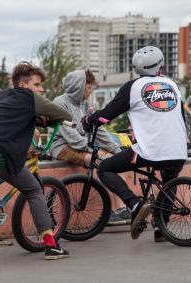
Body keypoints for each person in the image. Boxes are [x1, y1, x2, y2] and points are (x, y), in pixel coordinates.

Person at [0, 62, 72, 260]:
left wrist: (35, 118)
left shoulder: (3, 97)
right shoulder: (30, 98)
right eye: (37, 85)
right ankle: (51, 246)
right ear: (24, 85)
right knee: (34, 189)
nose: (41, 89)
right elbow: (64, 114)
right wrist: (46, 118)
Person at [82, 46, 188, 241]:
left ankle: (135, 204)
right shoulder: (172, 85)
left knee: (105, 168)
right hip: (179, 149)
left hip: (150, 151)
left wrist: (89, 120)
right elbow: (180, 117)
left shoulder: (133, 87)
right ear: (160, 67)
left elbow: (107, 116)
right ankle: (161, 228)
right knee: (169, 178)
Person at [49, 69, 130, 225]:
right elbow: (70, 136)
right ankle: (113, 211)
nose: (91, 91)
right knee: (101, 162)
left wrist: (116, 149)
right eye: (89, 88)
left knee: (114, 161)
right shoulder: (60, 103)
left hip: (82, 145)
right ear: (79, 87)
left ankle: (120, 210)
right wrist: (93, 150)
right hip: (61, 146)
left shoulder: (85, 104)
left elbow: (97, 129)